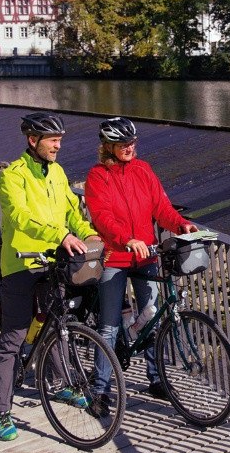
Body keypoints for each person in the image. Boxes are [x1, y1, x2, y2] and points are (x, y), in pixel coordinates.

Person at [0, 112, 99, 442]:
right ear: (32, 141)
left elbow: (72, 213)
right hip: (21, 264)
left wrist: (91, 236)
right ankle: (2, 411)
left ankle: (60, 384)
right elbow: (20, 218)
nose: (57, 146)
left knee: (57, 323)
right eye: (53, 141)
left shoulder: (57, 173)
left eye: (60, 141)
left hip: (53, 261)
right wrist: (59, 236)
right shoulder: (12, 176)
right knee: (13, 337)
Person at [84, 117, 197, 403]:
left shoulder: (143, 170)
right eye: (122, 144)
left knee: (152, 316)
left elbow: (161, 206)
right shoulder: (98, 176)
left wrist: (181, 224)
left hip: (146, 254)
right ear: (108, 146)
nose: (129, 148)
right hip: (116, 256)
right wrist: (127, 240)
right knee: (108, 326)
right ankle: (100, 388)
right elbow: (102, 218)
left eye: (132, 142)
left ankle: (156, 378)